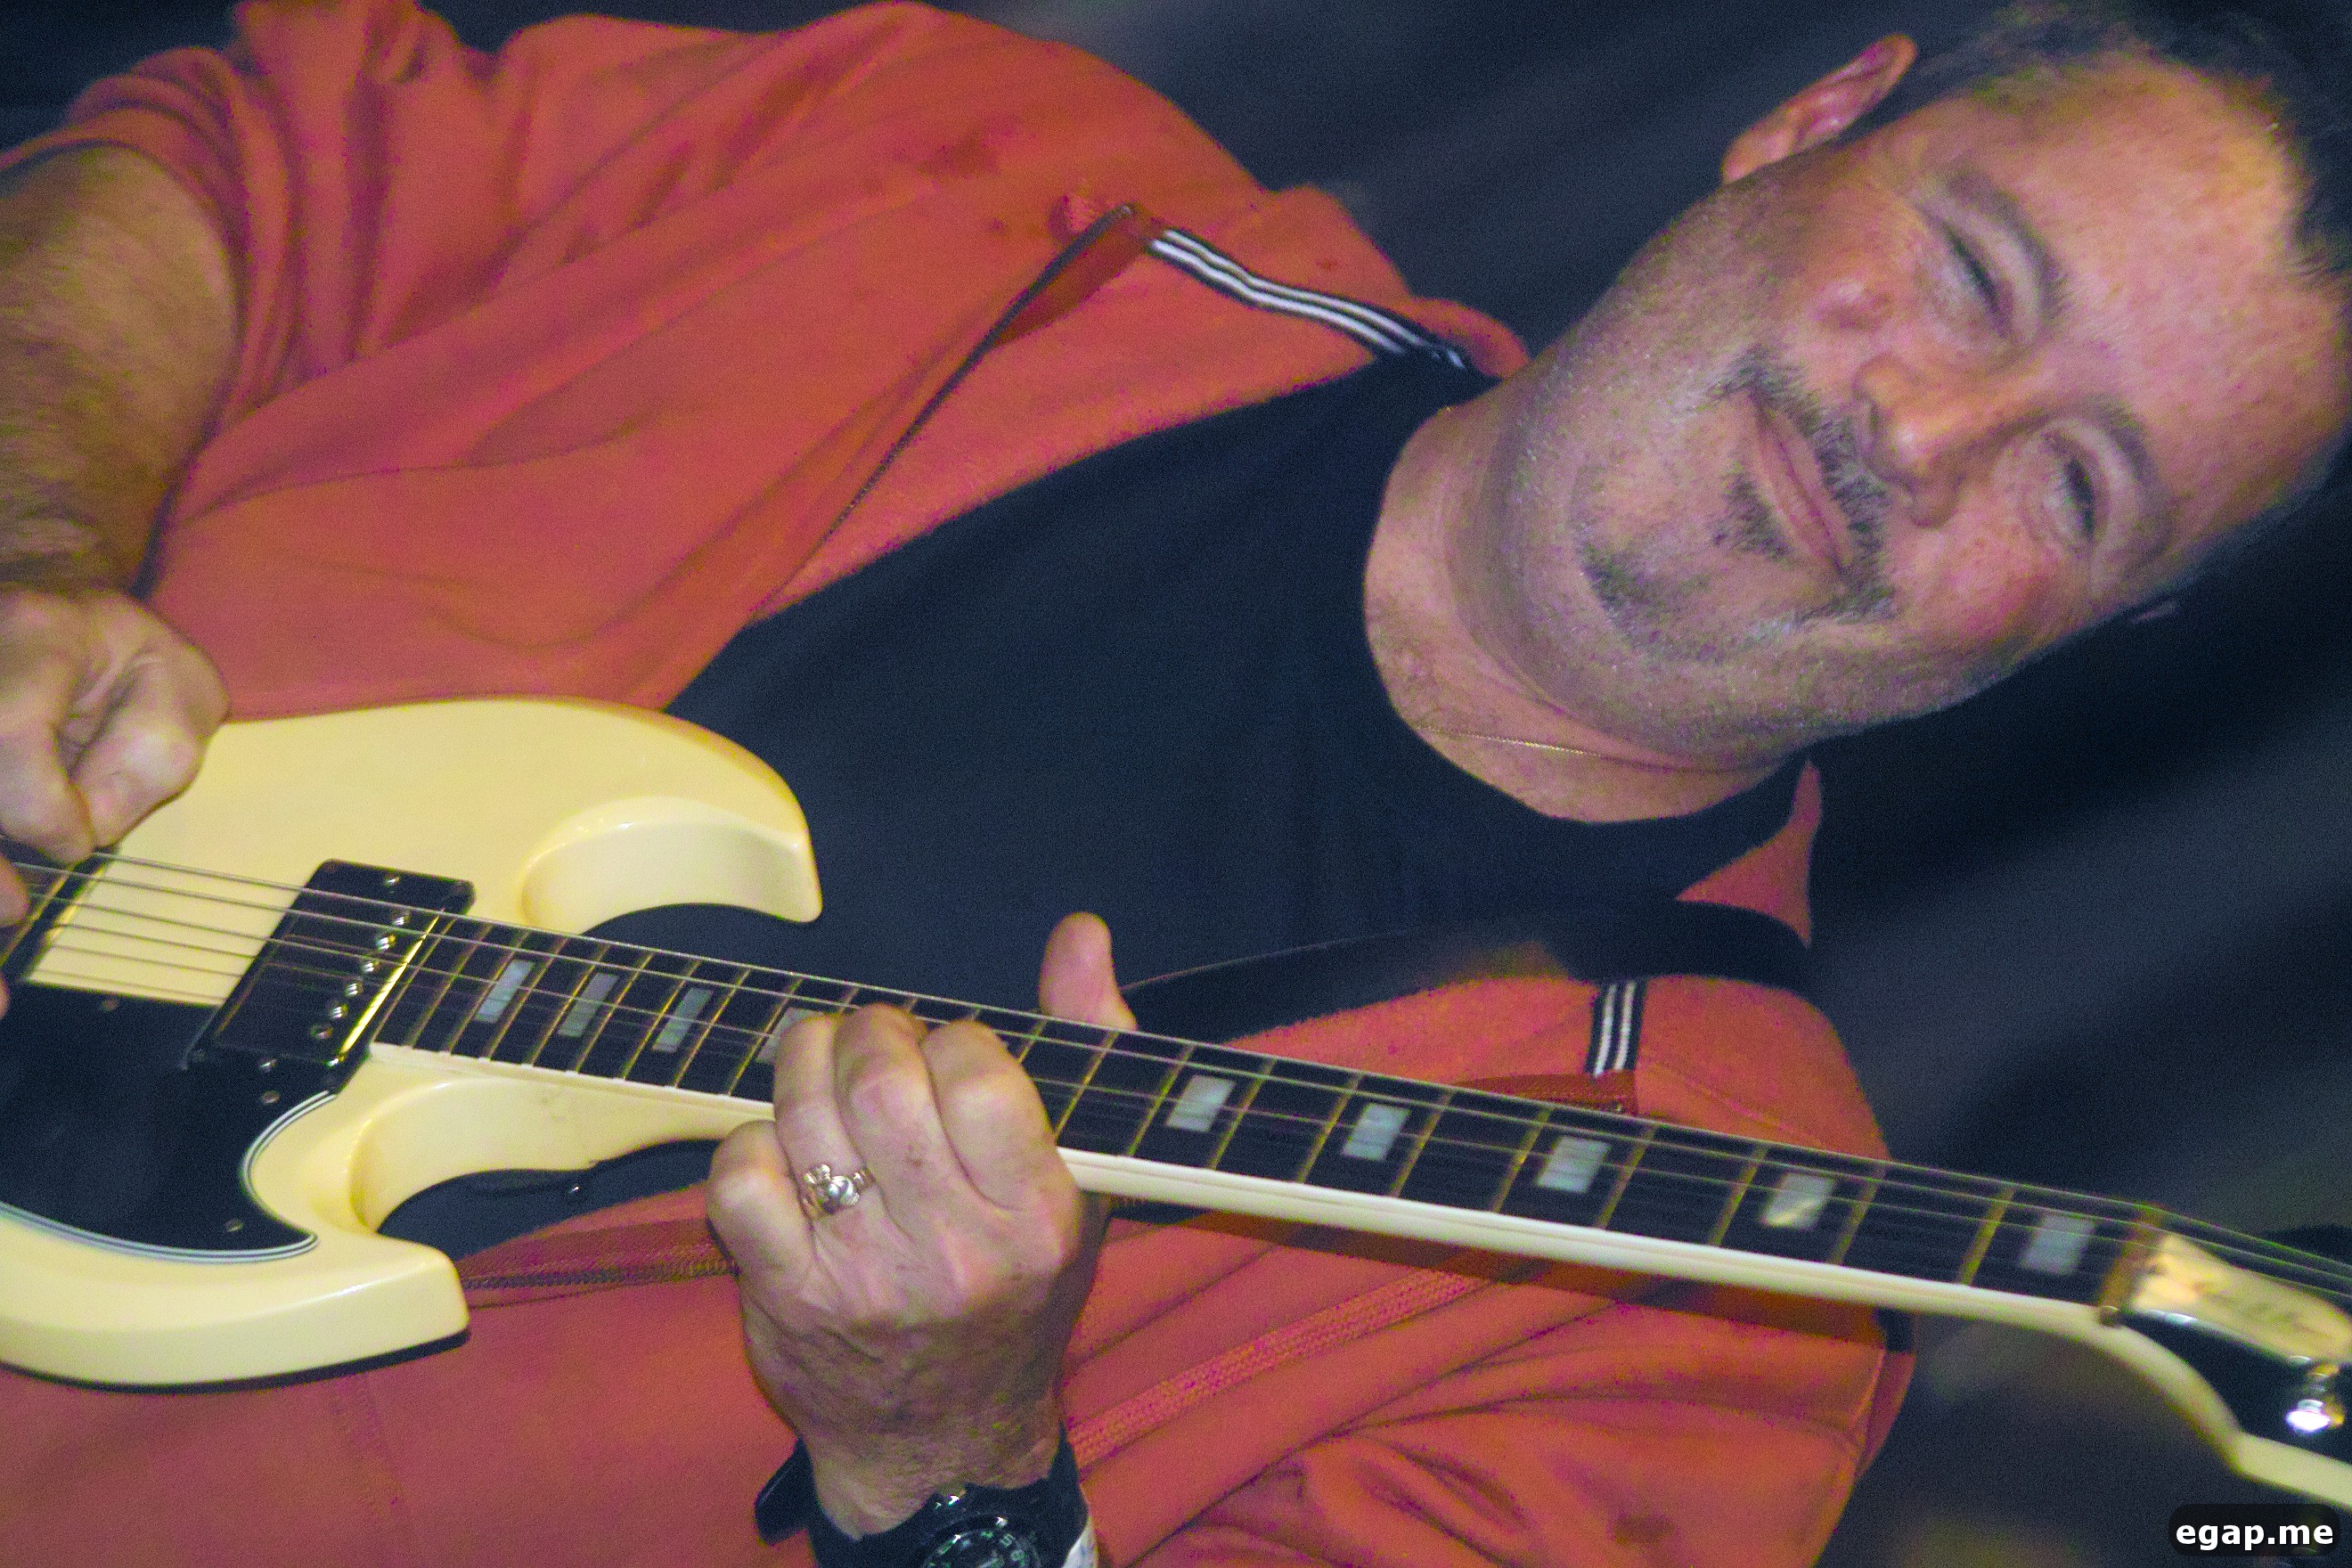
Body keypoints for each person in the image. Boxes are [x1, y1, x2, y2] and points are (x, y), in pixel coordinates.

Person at [0, 0, 2345, 1564]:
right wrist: (35, 550)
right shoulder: (988, 172)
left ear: (2104, 628)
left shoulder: (1725, 1329)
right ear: (1817, 120)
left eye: (2079, 489)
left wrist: (952, 1476)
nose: (1915, 440)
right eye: (1972, 273)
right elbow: (238, 163)